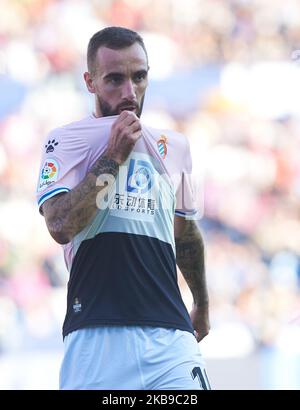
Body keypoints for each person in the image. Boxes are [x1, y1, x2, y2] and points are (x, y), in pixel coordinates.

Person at [36, 26, 211, 390]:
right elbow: (61, 225)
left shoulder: (175, 147)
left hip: (171, 340)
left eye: (139, 76)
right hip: (96, 341)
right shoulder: (65, 140)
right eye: (114, 79)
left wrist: (203, 303)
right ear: (90, 81)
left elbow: (186, 234)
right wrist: (114, 156)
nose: (129, 93)